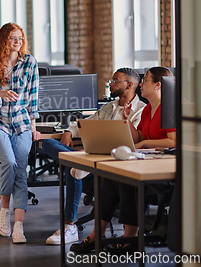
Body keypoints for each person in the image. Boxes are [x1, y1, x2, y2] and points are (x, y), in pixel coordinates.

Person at [70, 66, 176, 254]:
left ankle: (129, 238)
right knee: (112, 176)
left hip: (162, 170)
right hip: (147, 162)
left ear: (158, 85)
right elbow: (138, 138)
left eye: (145, 81)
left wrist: (144, 143)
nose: (141, 84)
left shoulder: (168, 108)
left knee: (127, 180)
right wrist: (127, 120)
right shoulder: (148, 110)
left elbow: (172, 141)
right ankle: (99, 234)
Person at [43, 68, 146, 245]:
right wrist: (69, 130)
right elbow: (86, 123)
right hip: (91, 159)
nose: (110, 84)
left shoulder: (140, 110)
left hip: (112, 162)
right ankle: (79, 163)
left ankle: (70, 226)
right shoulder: (109, 107)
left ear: (129, 85)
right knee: (48, 143)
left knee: (71, 167)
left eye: (115, 81)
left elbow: (130, 143)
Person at [0, 22, 40, 244]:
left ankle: (19, 226)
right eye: (13, 38)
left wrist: (33, 127)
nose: (18, 42)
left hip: (22, 123)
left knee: (21, 171)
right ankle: (4, 211)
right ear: (3, 41)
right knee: (9, 162)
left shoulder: (30, 63)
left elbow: (33, 98)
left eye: (20, 38)